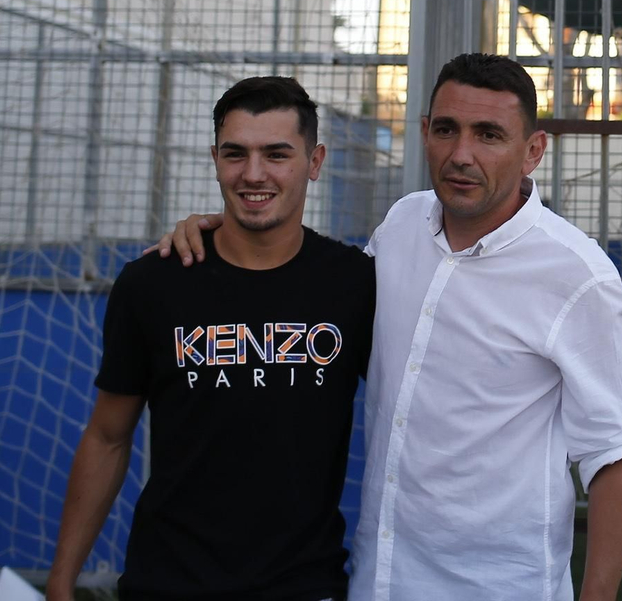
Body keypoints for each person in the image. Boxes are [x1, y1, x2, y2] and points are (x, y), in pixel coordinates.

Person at [155, 54, 622, 601]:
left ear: (533, 151)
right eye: (447, 130)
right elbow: (321, 303)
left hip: (496, 588)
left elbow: (615, 455)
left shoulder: (576, 275)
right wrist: (223, 230)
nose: (462, 154)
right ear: (425, 133)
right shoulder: (401, 224)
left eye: (489, 135)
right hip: (380, 579)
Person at [45, 77, 377, 601]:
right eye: (235, 154)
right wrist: (61, 581)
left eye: (277, 154)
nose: (253, 174)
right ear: (215, 160)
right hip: (168, 581)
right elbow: (108, 436)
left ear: (314, 162)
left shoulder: (356, 283)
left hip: (303, 582)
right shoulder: (152, 282)